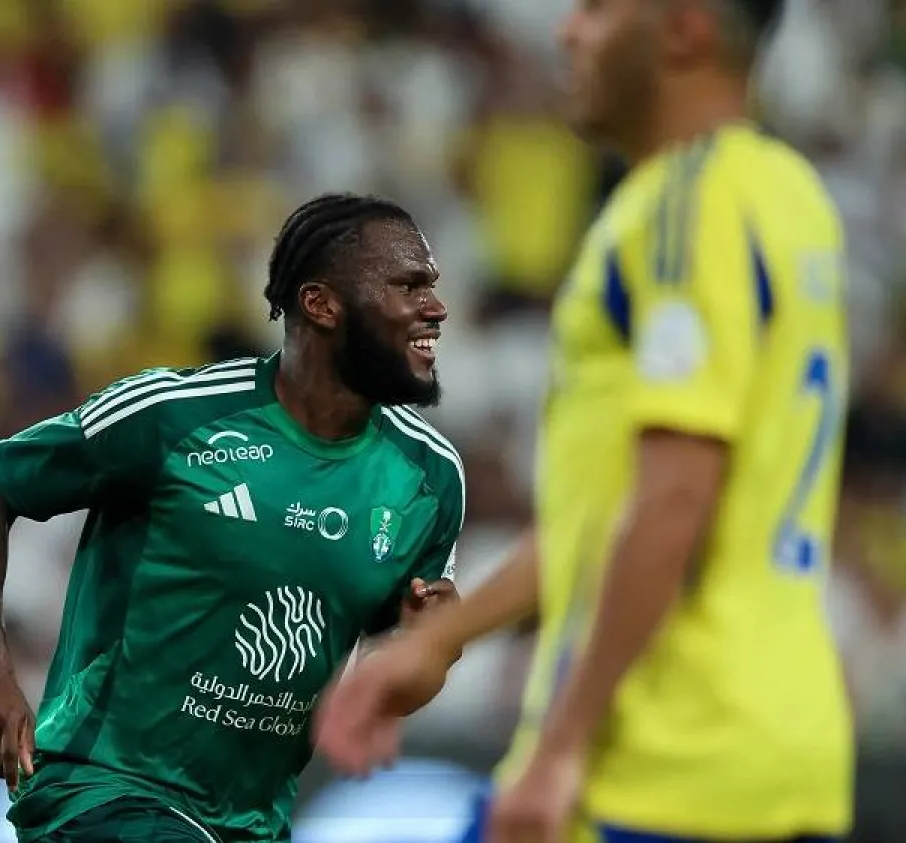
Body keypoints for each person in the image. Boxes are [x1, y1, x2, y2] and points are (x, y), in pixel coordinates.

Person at [314, 2, 854, 843]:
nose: (569, 31)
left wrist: (560, 746)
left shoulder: (685, 205)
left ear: (685, 28)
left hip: (660, 760)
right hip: (771, 743)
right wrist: (441, 638)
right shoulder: (790, 197)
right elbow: (614, 510)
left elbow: (674, 500)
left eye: (601, 8)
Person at [0, 193, 465, 843]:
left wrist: (423, 657)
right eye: (409, 285)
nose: (436, 308)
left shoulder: (429, 476)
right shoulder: (176, 415)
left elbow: (377, 679)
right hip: (104, 787)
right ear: (322, 303)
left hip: (249, 821)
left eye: (434, 287)